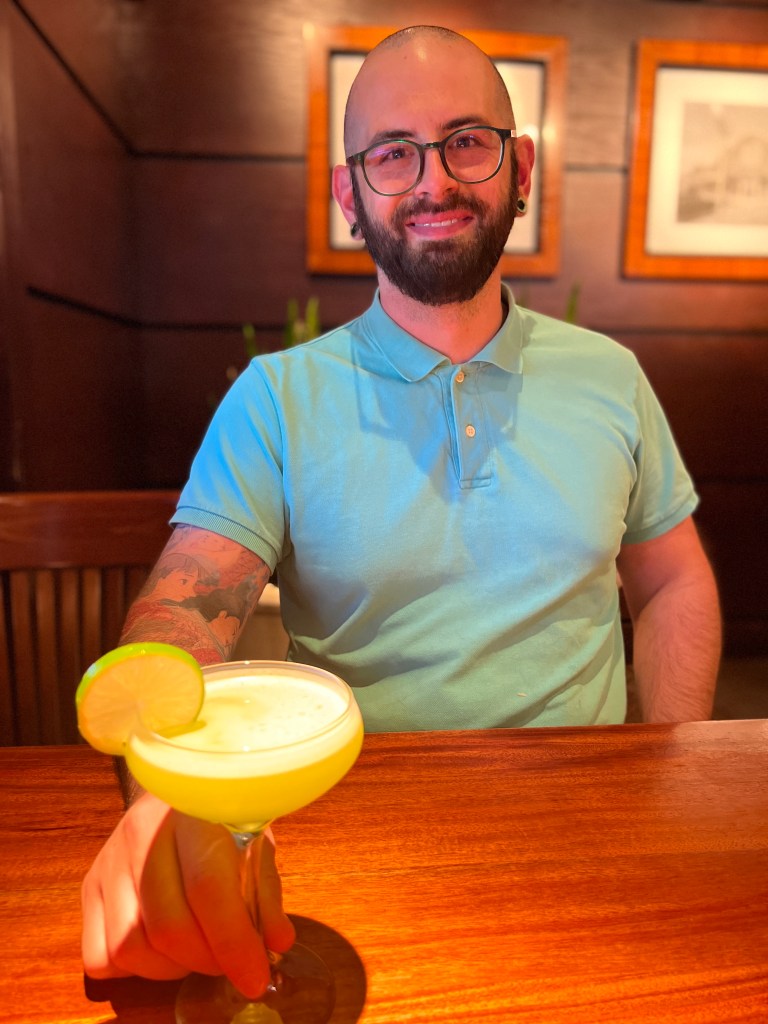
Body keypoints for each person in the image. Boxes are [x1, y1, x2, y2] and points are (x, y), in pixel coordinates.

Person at [81, 24, 721, 997]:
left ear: (522, 169)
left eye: (468, 140)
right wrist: (167, 801)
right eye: (393, 154)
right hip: (355, 847)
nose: (434, 180)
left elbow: (673, 575)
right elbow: (183, 607)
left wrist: (665, 771)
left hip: (593, 840)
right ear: (351, 195)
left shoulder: (614, 379)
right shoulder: (276, 396)